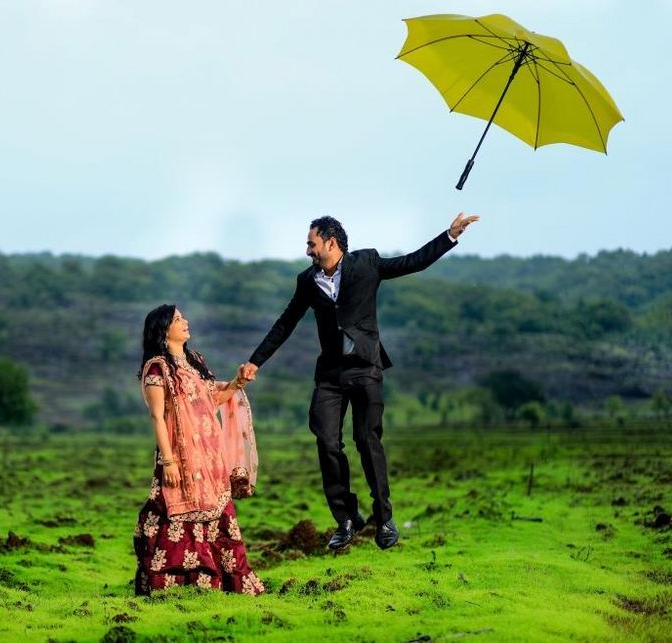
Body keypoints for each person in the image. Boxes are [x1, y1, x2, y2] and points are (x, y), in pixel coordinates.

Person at [239, 212, 478, 551]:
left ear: (331, 242)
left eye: (311, 242)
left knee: (367, 441)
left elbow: (413, 262)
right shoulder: (307, 281)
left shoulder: (367, 263)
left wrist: (449, 235)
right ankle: (347, 518)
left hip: (365, 368)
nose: (307, 249)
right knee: (326, 439)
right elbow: (285, 323)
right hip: (331, 375)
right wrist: (255, 361)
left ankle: (385, 519)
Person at [133, 304, 264, 596]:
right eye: (178, 319)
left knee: (219, 512)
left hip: (210, 454)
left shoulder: (195, 360)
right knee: (171, 513)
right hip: (178, 456)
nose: (185, 322)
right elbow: (157, 416)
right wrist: (168, 461)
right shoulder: (157, 368)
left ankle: (225, 583)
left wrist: (237, 382)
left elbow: (211, 399)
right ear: (163, 329)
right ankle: (175, 585)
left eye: (183, 317)